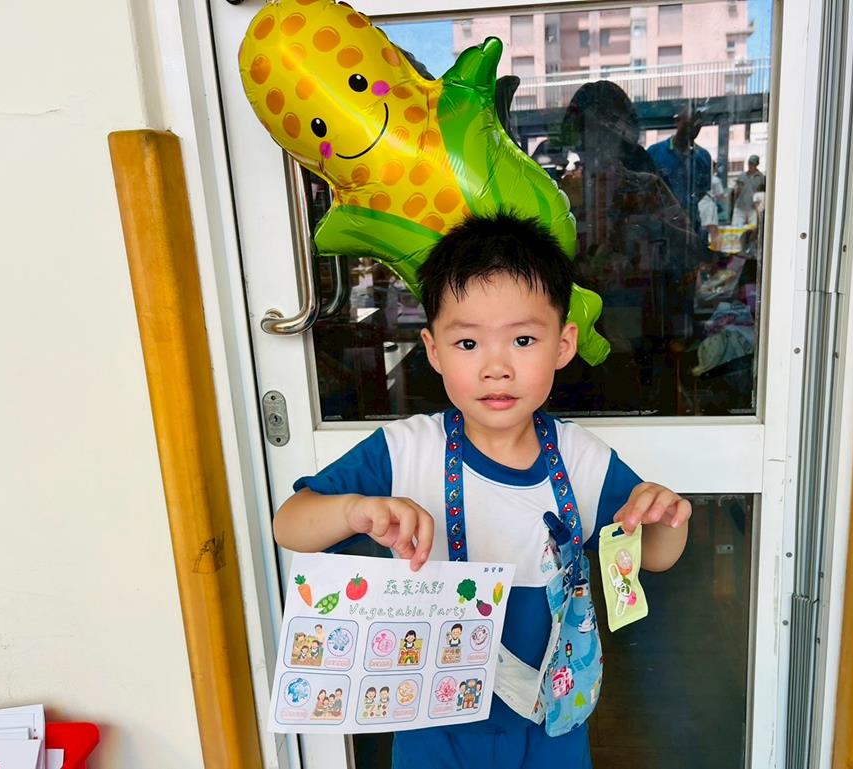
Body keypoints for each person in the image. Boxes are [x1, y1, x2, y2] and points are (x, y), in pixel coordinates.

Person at [273, 211, 692, 769]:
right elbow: (291, 525)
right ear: (434, 350)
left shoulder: (582, 460)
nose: (497, 367)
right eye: (468, 343)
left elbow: (655, 557)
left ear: (563, 344)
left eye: (523, 339)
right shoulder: (403, 451)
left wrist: (665, 517)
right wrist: (353, 510)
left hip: (551, 721)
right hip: (430, 723)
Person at [647, 106, 713, 240]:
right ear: (677, 121)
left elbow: (701, 191)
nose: (693, 129)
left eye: (697, 125)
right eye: (688, 124)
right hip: (660, 227)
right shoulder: (654, 152)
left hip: (691, 226)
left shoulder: (703, 157)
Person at [731, 154, 766, 226]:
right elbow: (735, 192)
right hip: (740, 207)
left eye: (753, 164)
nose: (750, 165)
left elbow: (762, 193)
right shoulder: (742, 176)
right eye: (749, 163)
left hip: (753, 208)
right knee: (737, 227)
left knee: (753, 228)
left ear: (757, 165)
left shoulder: (761, 178)